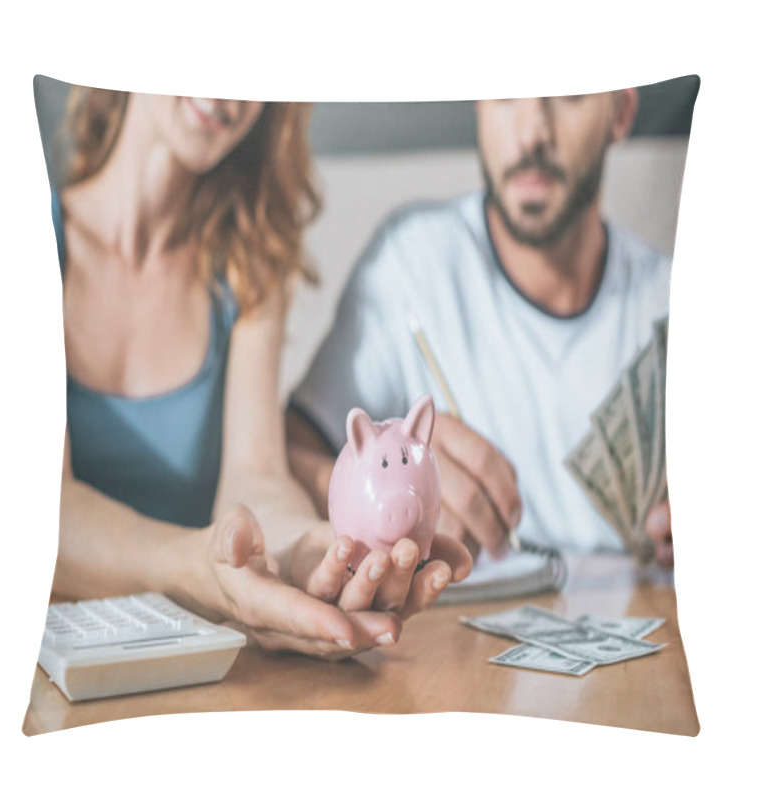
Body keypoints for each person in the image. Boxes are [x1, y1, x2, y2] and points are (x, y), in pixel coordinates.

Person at [49, 87, 471, 660]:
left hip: (194, 661)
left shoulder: (248, 258)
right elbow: (48, 514)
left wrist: (303, 551)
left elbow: (255, 473)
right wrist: (202, 569)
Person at [287, 89, 675, 573]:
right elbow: (282, 456)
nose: (532, 133)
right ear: (477, 104)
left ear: (619, 114)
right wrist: (365, 484)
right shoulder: (410, 262)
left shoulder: (677, 302)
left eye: (570, 92)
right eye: (505, 92)